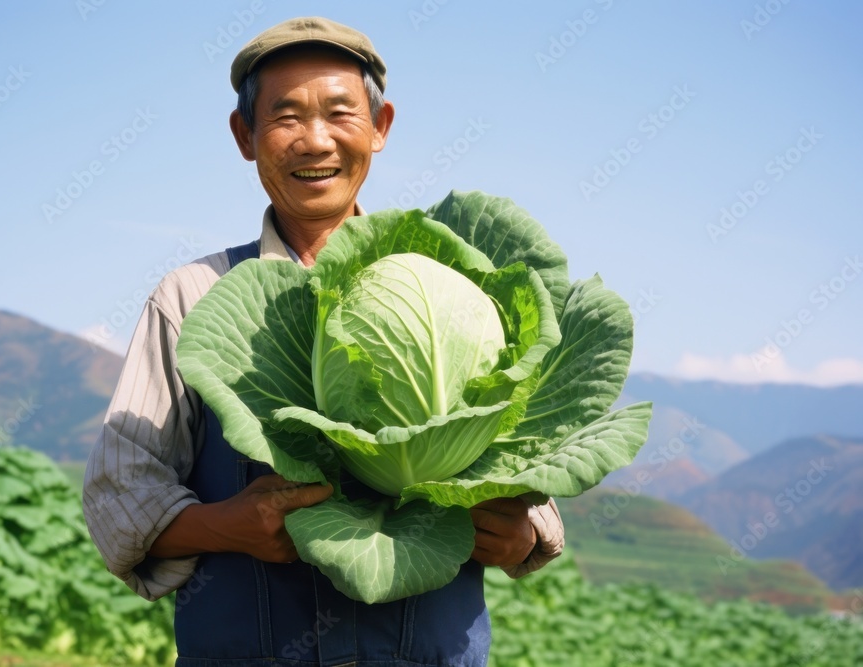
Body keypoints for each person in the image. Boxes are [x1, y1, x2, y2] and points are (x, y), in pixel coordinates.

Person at [83, 16, 565, 666]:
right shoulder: (194, 297)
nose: (315, 141)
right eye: (285, 117)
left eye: (340, 112)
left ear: (381, 126)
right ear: (244, 136)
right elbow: (121, 499)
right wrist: (228, 525)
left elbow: (531, 463)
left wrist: (521, 535)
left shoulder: (451, 284)